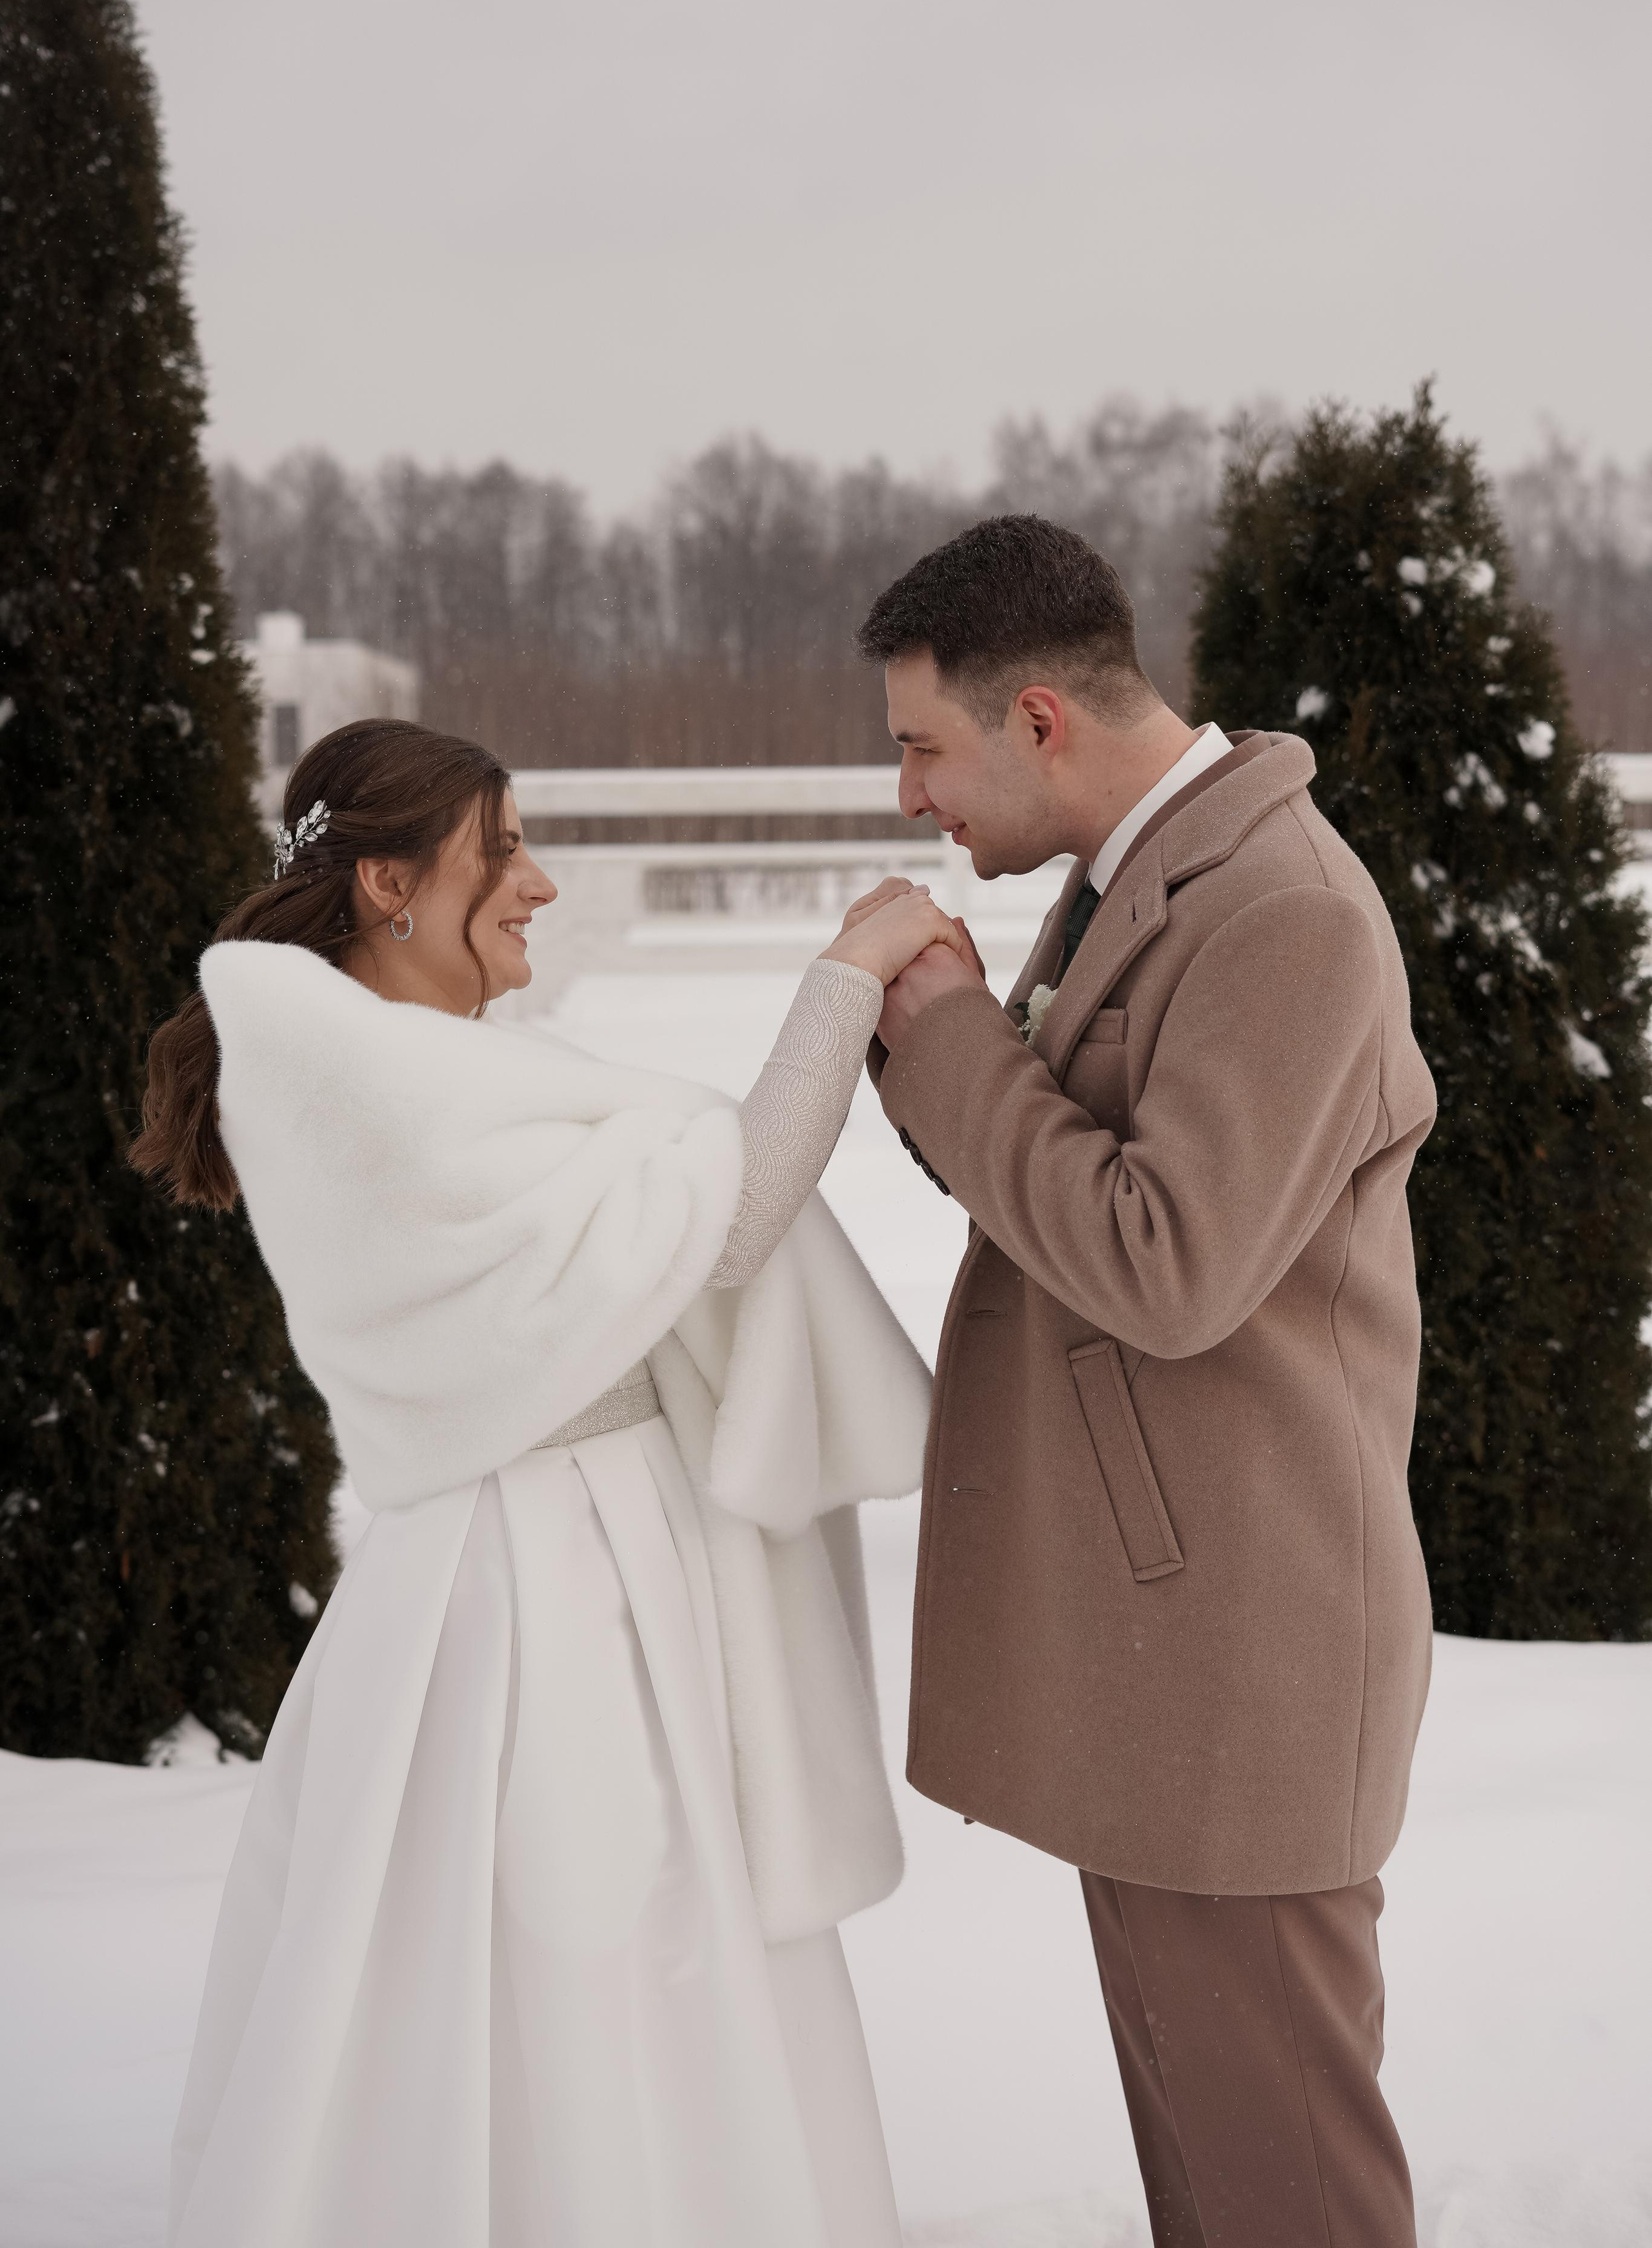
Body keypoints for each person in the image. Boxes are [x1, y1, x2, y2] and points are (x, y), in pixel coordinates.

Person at [130, 715, 960, 2248]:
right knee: (598, 1952)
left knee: (574, 1960)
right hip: (541, 1601)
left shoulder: (424, 1072)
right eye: (497, 849)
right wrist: (845, 985)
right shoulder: (380, 1096)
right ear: (388, 883)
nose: (539, 884)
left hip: (556, 1565)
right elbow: (711, 1222)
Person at [852, 516, 1437, 2248]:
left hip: (1245, 1657)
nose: (908, 797)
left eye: (921, 746)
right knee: (1218, 2188)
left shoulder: (1288, 912)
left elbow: (1165, 1263)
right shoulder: (1142, 876)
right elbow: (1054, 1172)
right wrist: (946, 1042)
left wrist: (954, 1035)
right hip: (1166, 1648)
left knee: (1287, 2198)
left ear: (1038, 720)